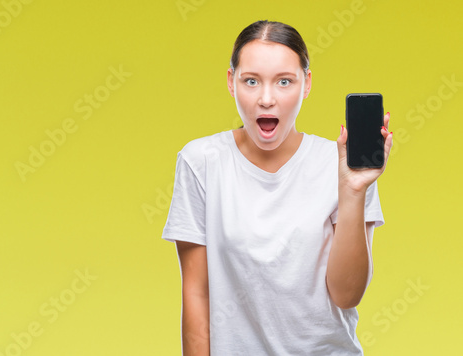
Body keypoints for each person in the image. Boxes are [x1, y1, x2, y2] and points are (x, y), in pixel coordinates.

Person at [162, 20, 393, 356]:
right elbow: (196, 294)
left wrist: (353, 190)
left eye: (284, 82)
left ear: (306, 83)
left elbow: (347, 295)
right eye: (251, 81)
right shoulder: (202, 161)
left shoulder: (341, 165)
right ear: (231, 82)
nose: (266, 99)